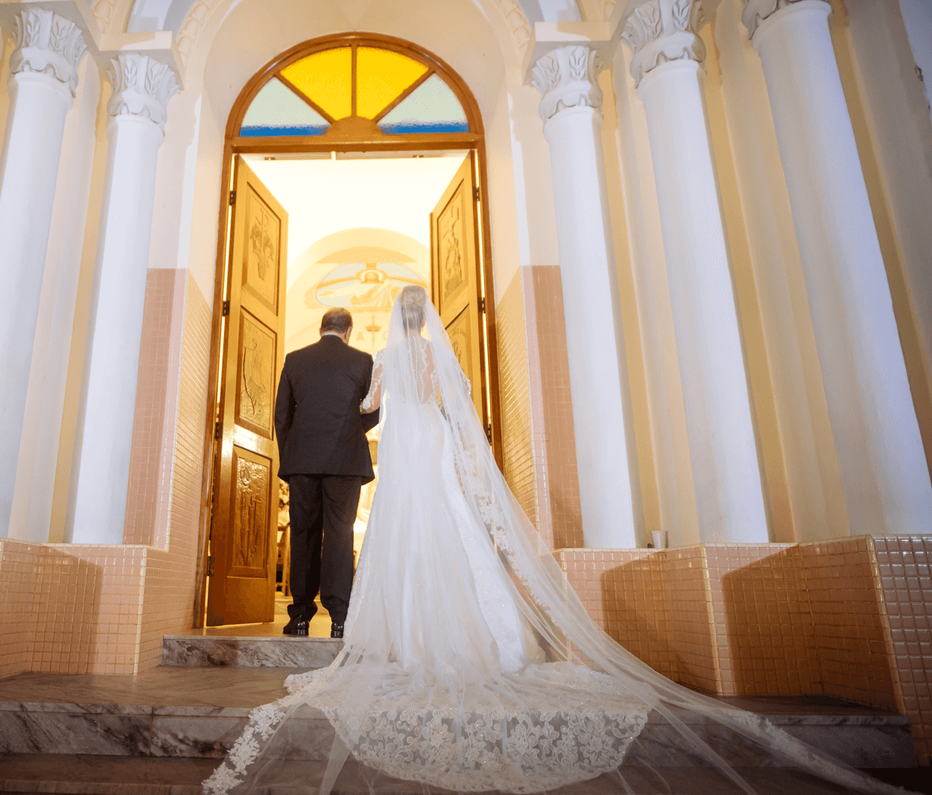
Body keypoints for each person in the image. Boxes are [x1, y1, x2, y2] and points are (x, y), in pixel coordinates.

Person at [205, 286, 904, 795]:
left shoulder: (341, 358)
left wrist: (322, 432)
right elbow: (433, 407)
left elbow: (324, 411)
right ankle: (403, 620)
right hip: (412, 453)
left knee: (353, 538)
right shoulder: (410, 360)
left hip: (341, 453)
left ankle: (330, 618)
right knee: (421, 535)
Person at [274, 307, 379, 638]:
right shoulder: (362, 360)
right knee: (340, 533)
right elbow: (374, 412)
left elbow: (281, 416)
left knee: (303, 533)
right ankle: (340, 619)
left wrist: (293, 455)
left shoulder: (294, 359)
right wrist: (349, 430)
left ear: (321, 329)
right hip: (346, 462)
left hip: (302, 461)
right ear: (348, 331)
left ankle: (301, 617)